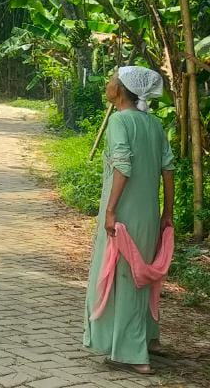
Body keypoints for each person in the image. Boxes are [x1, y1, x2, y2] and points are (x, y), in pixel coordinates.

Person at [83, 66, 175, 376]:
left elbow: (122, 166)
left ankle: (133, 354)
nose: (107, 84)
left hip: (124, 212)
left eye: (111, 80)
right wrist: (167, 213)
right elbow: (168, 170)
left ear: (121, 90)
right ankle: (145, 339)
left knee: (123, 276)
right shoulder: (153, 123)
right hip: (148, 213)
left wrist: (110, 211)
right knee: (140, 277)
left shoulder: (120, 121)